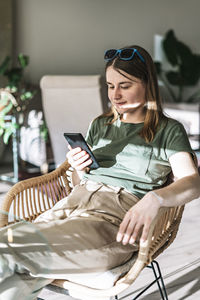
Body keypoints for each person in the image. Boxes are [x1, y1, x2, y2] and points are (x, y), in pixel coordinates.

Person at [0, 45, 199, 300]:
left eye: (125, 86)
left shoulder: (168, 130)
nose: (115, 94)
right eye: (110, 85)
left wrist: (155, 198)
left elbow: (193, 182)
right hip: (68, 207)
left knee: (11, 253)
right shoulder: (100, 124)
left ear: (148, 84)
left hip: (112, 221)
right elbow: (78, 181)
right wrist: (78, 167)